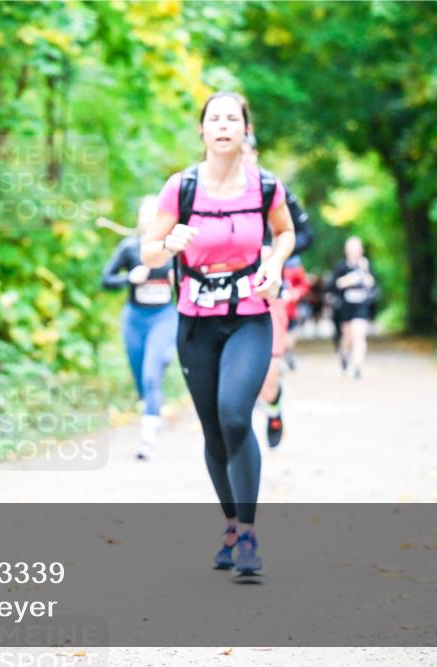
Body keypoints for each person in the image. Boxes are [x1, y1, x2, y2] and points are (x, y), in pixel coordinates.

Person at [141, 92, 295, 577]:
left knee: (234, 415)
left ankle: (248, 533)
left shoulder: (265, 186)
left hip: (250, 316)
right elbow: (148, 252)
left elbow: (285, 232)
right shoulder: (181, 188)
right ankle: (230, 524)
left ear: (245, 130)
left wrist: (275, 263)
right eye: (215, 118)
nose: (224, 125)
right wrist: (170, 243)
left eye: (233, 118)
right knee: (213, 428)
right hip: (196, 323)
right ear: (202, 130)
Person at [241, 135, 314, 448]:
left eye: (244, 152)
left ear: (255, 154)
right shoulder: (208, 191)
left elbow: (305, 234)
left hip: (268, 293)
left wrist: (275, 253)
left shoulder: (272, 189)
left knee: (268, 379)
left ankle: (273, 406)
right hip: (226, 297)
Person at [100, 198, 178, 460]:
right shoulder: (130, 247)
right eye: (145, 214)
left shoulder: (173, 250)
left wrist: (177, 280)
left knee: (151, 374)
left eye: (155, 214)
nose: (149, 219)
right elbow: (106, 280)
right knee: (140, 377)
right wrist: (129, 278)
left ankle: (147, 439)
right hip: (135, 320)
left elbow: (194, 279)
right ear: (139, 219)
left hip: (164, 318)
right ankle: (152, 409)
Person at [331, 236, 377, 379]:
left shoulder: (366, 266)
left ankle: (357, 367)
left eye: (357, 248)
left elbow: (371, 284)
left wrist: (364, 270)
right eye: (352, 248)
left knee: (359, 336)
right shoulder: (341, 266)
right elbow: (334, 285)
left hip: (361, 306)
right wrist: (349, 280)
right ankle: (344, 358)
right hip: (345, 307)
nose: (354, 251)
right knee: (347, 337)